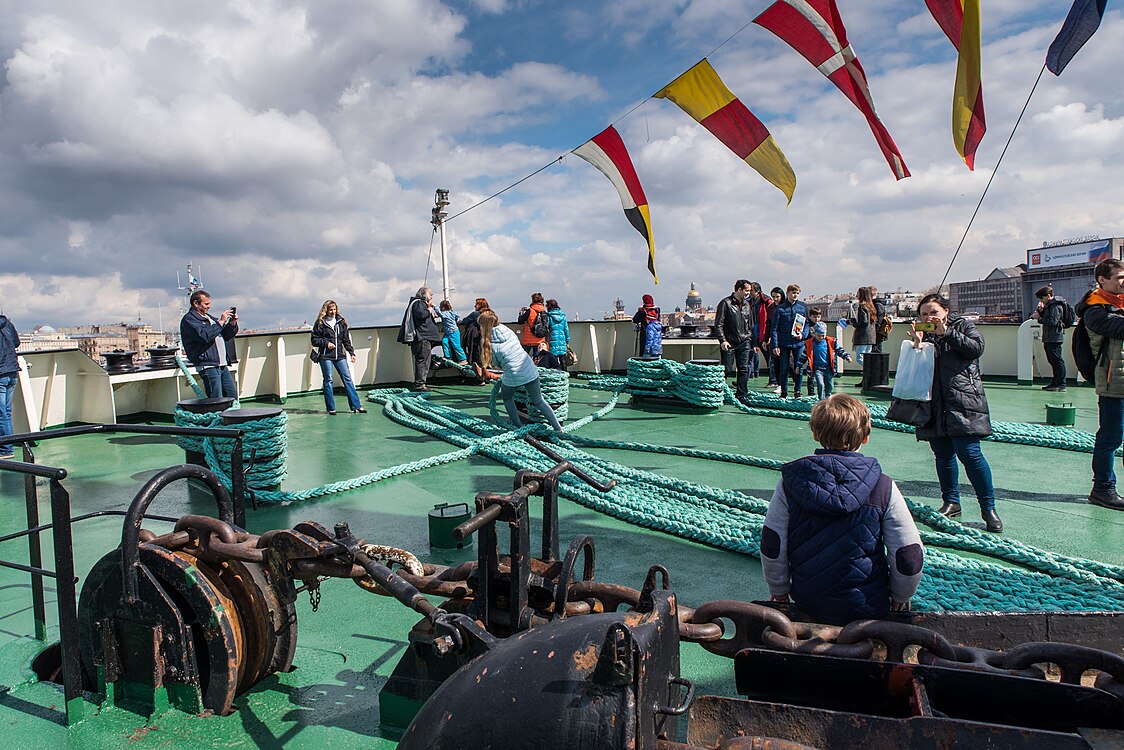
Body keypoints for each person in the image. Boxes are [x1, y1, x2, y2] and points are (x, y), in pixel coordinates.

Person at [760, 394, 924, 625]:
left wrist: (778, 588)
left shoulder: (791, 483)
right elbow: (908, 554)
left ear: (816, 434)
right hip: (868, 603)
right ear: (866, 437)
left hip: (809, 602)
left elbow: (772, 542)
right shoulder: (883, 486)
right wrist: (901, 595)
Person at [911, 293, 1002, 532]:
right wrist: (916, 346)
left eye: (933, 312)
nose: (929, 317)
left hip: (963, 401)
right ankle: (951, 502)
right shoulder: (924, 334)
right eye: (923, 314)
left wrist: (947, 333)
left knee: (970, 454)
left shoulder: (962, 326)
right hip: (935, 403)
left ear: (946, 312)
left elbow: (976, 348)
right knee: (942, 454)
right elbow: (916, 368)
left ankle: (988, 508)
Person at [1077, 258, 1124, 510]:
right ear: (1102, 281)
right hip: (1113, 386)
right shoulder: (1095, 311)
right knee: (1110, 439)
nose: (1123, 281)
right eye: (1119, 277)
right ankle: (1102, 489)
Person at [479, 311, 562, 432]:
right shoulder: (507, 331)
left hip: (513, 375)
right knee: (539, 401)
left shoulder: (491, 344)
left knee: (507, 397)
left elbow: (498, 364)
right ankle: (558, 427)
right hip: (529, 368)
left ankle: (517, 426)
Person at [180, 290, 239, 399]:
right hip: (208, 365)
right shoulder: (189, 320)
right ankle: (217, 416)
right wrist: (220, 322)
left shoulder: (210, 319)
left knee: (232, 396)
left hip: (221, 364)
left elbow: (225, 335)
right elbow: (204, 336)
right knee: (216, 398)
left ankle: (231, 415)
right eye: (206, 304)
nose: (209, 307)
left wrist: (232, 323)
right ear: (196, 304)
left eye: (209, 304)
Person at [311, 300, 365, 415]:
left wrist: (351, 352)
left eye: (334, 309)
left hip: (340, 355)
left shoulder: (341, 322)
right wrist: (326, 344)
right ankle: (331, 408)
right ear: (325, 310)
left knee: (347, 379)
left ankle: (356, 405)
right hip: (325, 356)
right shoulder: (320, 323)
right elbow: (314, 340)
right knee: (328, 380)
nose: (333, 312)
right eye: (330, 310)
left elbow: (345, 339)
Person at [715, 280, 755, 405]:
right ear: (739, 290)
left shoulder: (747, 305)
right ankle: (718, 391)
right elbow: (719, 324)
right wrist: (723, 341)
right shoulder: (725, 303)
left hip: (744, 341)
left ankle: (742, 395)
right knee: (726, 368)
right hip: (730, 342)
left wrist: (750, 339)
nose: (748, 293)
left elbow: (751, 323)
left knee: (743, 369)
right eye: (746, 290)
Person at [396, 286, 443, 392]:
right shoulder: (418, 304)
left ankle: (421, 383)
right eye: (430, 293)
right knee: (423, 361)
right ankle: (420, 385)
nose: (432, 295)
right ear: (424, 294)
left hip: (423, 338)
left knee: (424, 361)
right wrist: (430, 309)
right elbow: (421, 315)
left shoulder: (418, 304)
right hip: (422, 338)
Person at [771, 284, 810, 399]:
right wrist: (775, 345)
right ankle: (784, 392)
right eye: (793, 293)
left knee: (799, 367)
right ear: (787, 294)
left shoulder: (802, 307)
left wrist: (803, 335)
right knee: (784, 368)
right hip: (784, 343)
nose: (795, 295)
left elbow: (807, 324)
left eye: (797, 293)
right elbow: (774, 328)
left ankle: (797, 391)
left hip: (798, 343)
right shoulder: (780, 309)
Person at [1031, 286, 1069, 392]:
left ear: (1048, 296)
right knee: (1053, 360)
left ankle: (1061, 384)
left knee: (1057, 361)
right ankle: (1056, 382)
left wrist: (1039, 318)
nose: (1041, 301)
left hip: (1054, 337)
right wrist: (1040, 311)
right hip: (1050, 337)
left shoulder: (1055, 306)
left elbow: (1052, 322)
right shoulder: (1050, 306)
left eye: (1042, 298)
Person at [804, 322, 852, 400]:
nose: (821, 337)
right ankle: (822, 400)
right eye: (818, 335)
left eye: (823, 335)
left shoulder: (831, 342)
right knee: (820, 384)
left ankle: (827, 396)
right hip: (817, 368)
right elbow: (804, 355)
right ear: (814, 334)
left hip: (828, 368)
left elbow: (839, 350)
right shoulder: (810, 343)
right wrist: (799, 365)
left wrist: (846, 356)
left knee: (830, 385)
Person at [0, 313, 20, 459]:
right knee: (6, 412)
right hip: (12, 371)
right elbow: (16, 343)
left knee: (2, 414)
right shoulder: (7, 323)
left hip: (1, 373)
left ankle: (7, 450)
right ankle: (8, 447)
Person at [461, 297, 491, 384]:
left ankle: (480, 378)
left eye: (476, 304)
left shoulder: (475, 314)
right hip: (486, 338)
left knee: (477, 357)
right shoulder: (489, 314)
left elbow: (465, 321)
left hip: (475, 339)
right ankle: (487, 376)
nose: (475, 305)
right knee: (485, 357)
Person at [849, 286, 877, 365]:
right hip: (871, 337)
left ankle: (869, 371)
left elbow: (864, 322)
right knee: (867, 356)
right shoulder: (871, 306)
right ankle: (870, 372)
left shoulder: (862, 306)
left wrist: (854, 323)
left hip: (863, 337)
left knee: (860, 358)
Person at [749, 283, 771, 379]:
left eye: (751, 290)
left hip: (764, 332)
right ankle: (748, 376)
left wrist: (769, 335)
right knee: (750, 355)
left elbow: (771, 318)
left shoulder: (766, 301)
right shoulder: (749, 302)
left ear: (757, 292)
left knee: (769, 357)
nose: (749, 293)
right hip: (752, 332)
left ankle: (773, 380)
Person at [765, 287, 784, 390]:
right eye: (773, 297)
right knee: (775, 362)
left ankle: (794, 381)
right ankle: (779, 384)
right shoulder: (771, 308)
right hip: (774, 338)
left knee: (788, 363)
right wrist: (765, 338)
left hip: (784, 338)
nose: (775, 299)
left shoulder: (785, 307)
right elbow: (768, 324)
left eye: (777, 297)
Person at [545, 299, 572, 369]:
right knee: (563, 359)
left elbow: (546, 328)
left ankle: (555, 374)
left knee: (553, 360)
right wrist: (567, 341)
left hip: (552, 340)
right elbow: (566, 330)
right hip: (562, 340)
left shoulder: (549, 317)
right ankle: (565, 374)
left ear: (549, 307)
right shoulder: (563, 317)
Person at [871, 286, 888, 353]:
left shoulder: (877, 305)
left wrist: (877, 331)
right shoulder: (877, 304)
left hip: (878, 332)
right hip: (878, 332)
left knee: (876, 351)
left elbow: (879, 318)